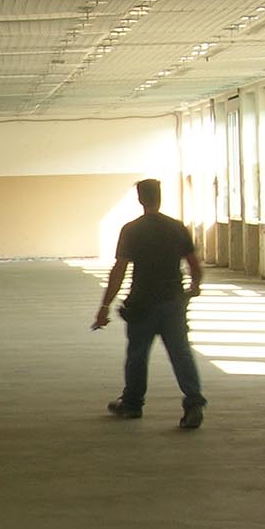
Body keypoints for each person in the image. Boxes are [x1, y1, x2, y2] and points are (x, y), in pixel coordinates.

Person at [90, 178, 207, 429]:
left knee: (137, 355)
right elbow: (195, 265)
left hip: (142, 302)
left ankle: (132, 404)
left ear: (141, 199)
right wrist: (194, 287)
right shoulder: (177, 228)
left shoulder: (132, 230)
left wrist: (104, 307)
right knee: (181, 353)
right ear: (159, 197)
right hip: (173, 301)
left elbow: (119, 270)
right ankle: (194, 403)